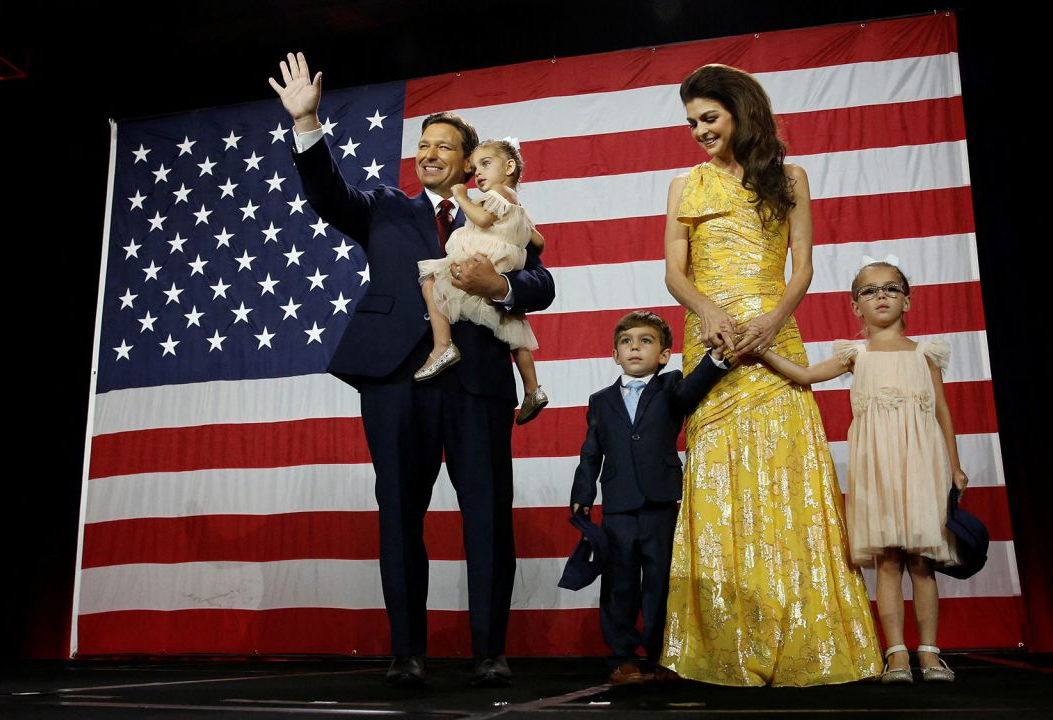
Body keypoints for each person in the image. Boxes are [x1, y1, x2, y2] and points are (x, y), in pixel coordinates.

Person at [269, 52, 556, 687]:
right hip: (398, 378)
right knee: (398, 510)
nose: (428, 153)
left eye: (444, 146)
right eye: (422, 145)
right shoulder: (382, 207)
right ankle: (407, 652)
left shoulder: (502, 212)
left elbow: (541, 281)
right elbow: (325, 193)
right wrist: (308, 124)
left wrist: (500, 288)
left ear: (469, 158)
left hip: (478, 379)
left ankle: (489, 652)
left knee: (487, 514)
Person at [659, 64, 881, 686]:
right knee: (717, 484)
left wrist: (767, 322)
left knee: (790, 482)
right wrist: (707, 312)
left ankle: (804, 639)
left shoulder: (790, 178)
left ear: (741, 112)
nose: (699, 131)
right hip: (712, 347)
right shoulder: (685, 185)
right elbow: (676, 274)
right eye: (691, 122)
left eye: (709, 118)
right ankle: (725, 645)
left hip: (773, 338)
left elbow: (802, 269)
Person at [758, 257, 968, 684]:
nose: (881, 296)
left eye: (891, 288)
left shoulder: (926, 354)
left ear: (907, 300)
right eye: (870, 291)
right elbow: (805, 374)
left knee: (923, 562)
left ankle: (928, 652)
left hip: (922, 463)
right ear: (856, 307)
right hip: (878, 467)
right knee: (889, 561)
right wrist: (761, 350)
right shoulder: (857, 355)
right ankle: (894, 654)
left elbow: (942, 411)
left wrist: (955, 467)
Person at [569, 311, 729, 685]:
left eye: (645, 341)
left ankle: (661, 654)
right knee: (619, 582)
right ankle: (622, 655)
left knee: (660, 582)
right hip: (619, 506)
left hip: (660, 503)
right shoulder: (600, 400)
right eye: (627, 342)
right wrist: (583, 492)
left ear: (664, 355)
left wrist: (716, 358)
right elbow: (591, 451)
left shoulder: (671, 386)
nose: (635, 348)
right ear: (614, 354)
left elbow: (695, 389)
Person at [415, 139, 549, 424]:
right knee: (516, 332)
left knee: (430, 280)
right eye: (475, 168)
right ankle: (532, 389)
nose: (477, 174)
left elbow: (483, 219)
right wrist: (517, 244)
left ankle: (442, 346)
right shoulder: (519, 206)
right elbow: (538, 240)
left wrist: (463, 197)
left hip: (478, 263)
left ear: (509, 166)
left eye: (485, 164)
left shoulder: (495, 194)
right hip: (500, 263)